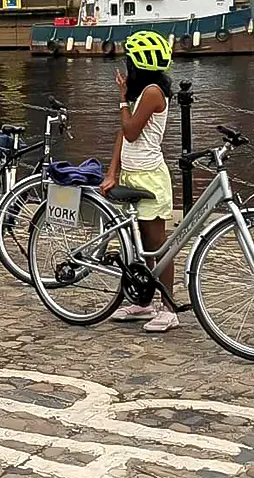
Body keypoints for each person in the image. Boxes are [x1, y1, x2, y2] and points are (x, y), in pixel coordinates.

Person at [100, 30, 178, 333]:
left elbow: (131, 130)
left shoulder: (153, 93)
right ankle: (143, 302)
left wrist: (121, 100)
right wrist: (112, 171)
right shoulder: (144, 91)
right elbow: (123, 137)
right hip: (132, 173)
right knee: (137, 245)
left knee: (157, 245)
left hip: (149, 176)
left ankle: (169, 307)